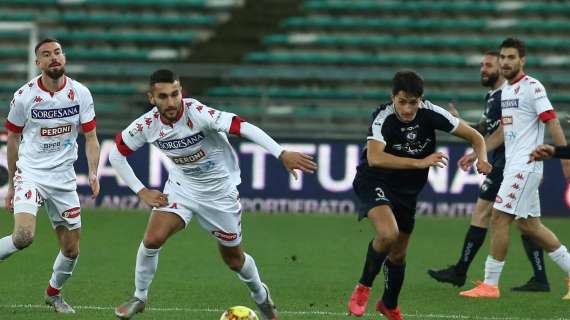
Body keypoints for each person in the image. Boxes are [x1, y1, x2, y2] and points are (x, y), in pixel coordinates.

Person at [111, 69, 317, 320]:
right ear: (152, 98)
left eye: (175, 94)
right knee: (153, 239)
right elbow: (116, 154)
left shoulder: (197, 113)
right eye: (163, 96)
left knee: (234, 259)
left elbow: (243, 126)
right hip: (181, 188)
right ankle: (139, 297)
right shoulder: (146, 125)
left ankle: (261, 297)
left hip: (219, 193)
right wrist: (141, 190)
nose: (171, 102)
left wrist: (281, 153)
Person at [347, 70, 491, 320]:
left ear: (420, 100)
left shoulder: (430, 113)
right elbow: (375, 157)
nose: (407, 109)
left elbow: (475, 136)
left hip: (407, 191)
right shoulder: (383, 117)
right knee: (388, 234)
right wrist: (420, 162)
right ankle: (363, 287)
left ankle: (389, 305)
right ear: (393, 97)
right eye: (402, 101)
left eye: (412, 102)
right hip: (374, 180)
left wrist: (483, 158)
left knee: (399, 253)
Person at [428, 52, 550, 292]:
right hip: (506, 161)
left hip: (508, 164)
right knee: (525, 220)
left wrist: (477, 152)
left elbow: (503, 131)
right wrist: (461, 124)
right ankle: (541, 278)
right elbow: (486, 128)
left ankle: (462, 271)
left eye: (488, 65)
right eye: (482, 64)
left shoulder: (508, 95)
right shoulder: (494, 96)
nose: (483, 69)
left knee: (484, 213)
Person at [460, 38, 570, 300]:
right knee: (530, 225)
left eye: (511, 57)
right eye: (503, 57)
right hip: (514, 166)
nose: (506, 62)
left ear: (522, 60)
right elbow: (501, 132)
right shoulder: (506, 91)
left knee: (498, 217)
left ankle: (490, 284)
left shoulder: (532, 88)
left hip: (526, 166)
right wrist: (478, 151)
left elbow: (552, 122)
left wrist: (565, 159)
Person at [0, 38, 100, 313]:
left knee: (71, 250)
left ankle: (53, 294)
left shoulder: (81, 93)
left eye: (57, 52)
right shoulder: (24, 97)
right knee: (23, 236)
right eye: (46, 54)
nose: (53, 58)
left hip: (64, 177)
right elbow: (13, 139)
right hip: (31, 172)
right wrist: (11, 183)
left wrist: (93, 171)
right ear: (38, 63)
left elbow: (91, 137)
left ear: (63, 57)